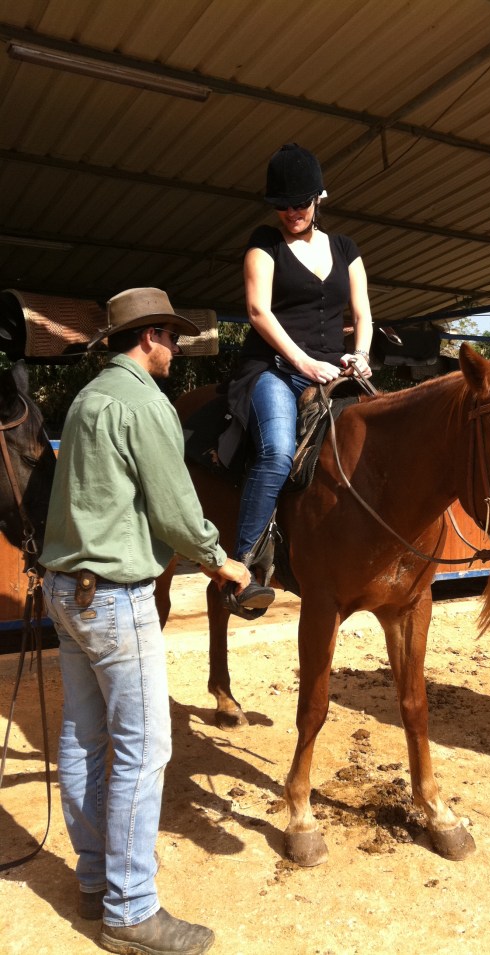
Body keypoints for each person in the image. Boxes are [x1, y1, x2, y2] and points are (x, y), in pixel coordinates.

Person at [40, 288, 250, 955]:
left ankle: (96, 879)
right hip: (116, 598)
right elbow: (175, 510)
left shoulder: (86, 400)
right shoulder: (146, 405)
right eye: (172, 338)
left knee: (82, 738)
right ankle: (131, 909)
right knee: (143, 747)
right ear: (151, 336)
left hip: (66, 588)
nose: (177, 351)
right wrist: (224, 561)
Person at [223, 143, 373, 617]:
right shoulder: (263, 244)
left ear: (319, 197)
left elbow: (363, 313)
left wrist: (361, 355)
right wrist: (305, 364)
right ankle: (244, 568)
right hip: (275, 369)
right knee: (277, 451)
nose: (291, 212)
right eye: (282, 205)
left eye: (300, 203)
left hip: (335, 371)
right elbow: (257, 311)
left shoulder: (345, 248)